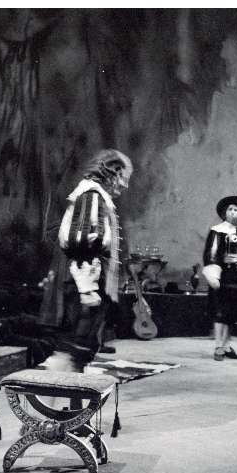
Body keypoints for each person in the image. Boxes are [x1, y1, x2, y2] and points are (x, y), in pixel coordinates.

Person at [39, 149, 133, 375]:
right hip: (82, 281)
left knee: (83, 342)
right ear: (114, 173)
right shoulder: (91, 195)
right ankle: (63, 386)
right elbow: (80, 241)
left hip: (87, 280)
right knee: (77, 342)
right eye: (124, 178)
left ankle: (70, 385)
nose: (125, 185)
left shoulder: (95, 196)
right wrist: (87, 289)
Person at [202, 196, 237, 361]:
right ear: (224, 213)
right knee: (220, 311)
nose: (233, 212)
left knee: (232, 312)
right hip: (223, 275)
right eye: (230, 209)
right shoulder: (217, 230)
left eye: (236, 209)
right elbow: (212, 253)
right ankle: (218, 346)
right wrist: (213, 274)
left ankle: (226, 345)